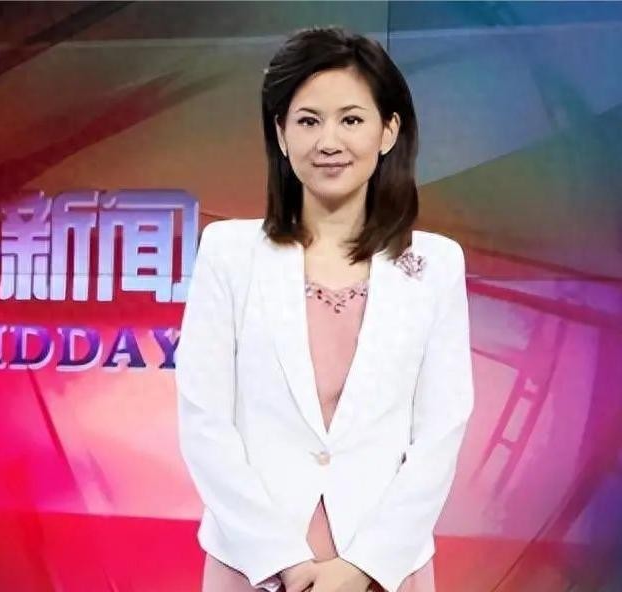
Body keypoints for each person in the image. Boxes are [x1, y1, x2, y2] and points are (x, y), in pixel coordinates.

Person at [175, 25, 475, 592]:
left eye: (351, 120)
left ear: (388, 131)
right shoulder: (228, 253)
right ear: (281, 134)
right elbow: (204, 421)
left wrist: (365, 567)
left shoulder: (436, 265)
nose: (328, 141)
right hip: (255, 563)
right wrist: (283, 559)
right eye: (308, 121)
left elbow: (441, 430)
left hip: (385, 566)